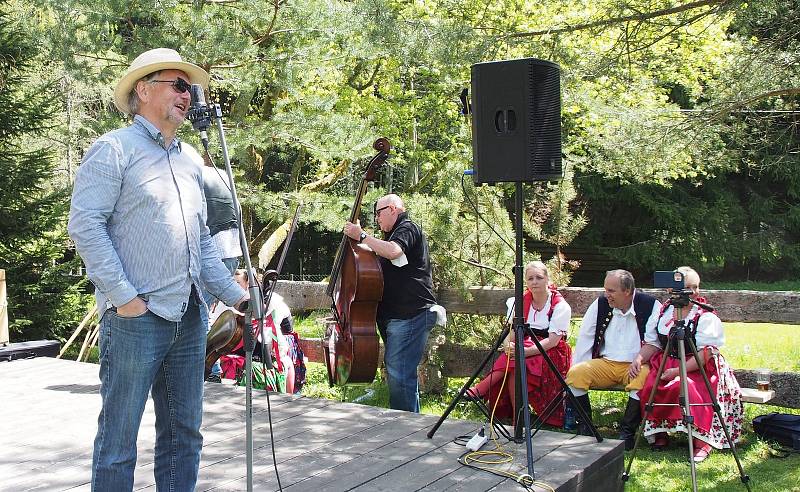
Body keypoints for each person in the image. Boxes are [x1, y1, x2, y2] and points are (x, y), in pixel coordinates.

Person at [67, 48, 247, 491]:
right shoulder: (114, 149)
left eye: (192, 88)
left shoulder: (190, 161)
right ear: (144, 90)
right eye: (179, 85)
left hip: (188, 317)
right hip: (136, 319)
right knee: (118, 442)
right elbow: (85, 226)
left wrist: (235, 293)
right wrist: (124, 298)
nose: (189, 95)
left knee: (185, 436)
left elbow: (201, 239)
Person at [343, 193, 437, 412]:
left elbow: (394, 251)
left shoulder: (408, 228)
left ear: (393, 209)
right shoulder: (391, 235)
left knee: (398, 372)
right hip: (398, 316)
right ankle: (412, 422)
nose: (377, 219)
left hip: (411, 313)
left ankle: (403, 425)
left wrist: (362, 235)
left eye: (379, 213)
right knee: (402, 373)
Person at [639, 266, 743, 462]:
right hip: (667, 363)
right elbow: (653, 343)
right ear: (671, 289)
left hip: (699, 366)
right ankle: (661, 433)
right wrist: (639, 359)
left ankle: (701, 441)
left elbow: (706, 354)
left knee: (686, 387)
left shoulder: (704, 316)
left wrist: (677, 371)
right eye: (687, 287)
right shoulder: (663, 312)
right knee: (651, 385)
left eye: (695, 287)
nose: (692, 292)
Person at [466, 261, 572, 426]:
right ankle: (519, 417)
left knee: (518, 361)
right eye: (530, 278)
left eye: (539, 277)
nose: (534, 282)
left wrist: (523, 352)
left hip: (551, 350)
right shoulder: (522, 301)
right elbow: (513, 331)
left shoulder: (559, 306)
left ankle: (481, 389)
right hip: (526, 345)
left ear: (547, 280)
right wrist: (508, 344)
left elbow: (553, 341)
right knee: (515, 365)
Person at [565, 269, 661, 449]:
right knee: (576, 374)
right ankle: (586, 428)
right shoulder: (601, 304)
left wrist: (639, 359)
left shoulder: (650, 305)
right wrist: (580, 364)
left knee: (643, 377)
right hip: (606, 364)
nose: (606, 295)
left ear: (627, 291)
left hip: (636, 365)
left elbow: (654, 342)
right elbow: (586, 336)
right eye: (605, 289)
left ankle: (627, 433)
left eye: (611, 291)